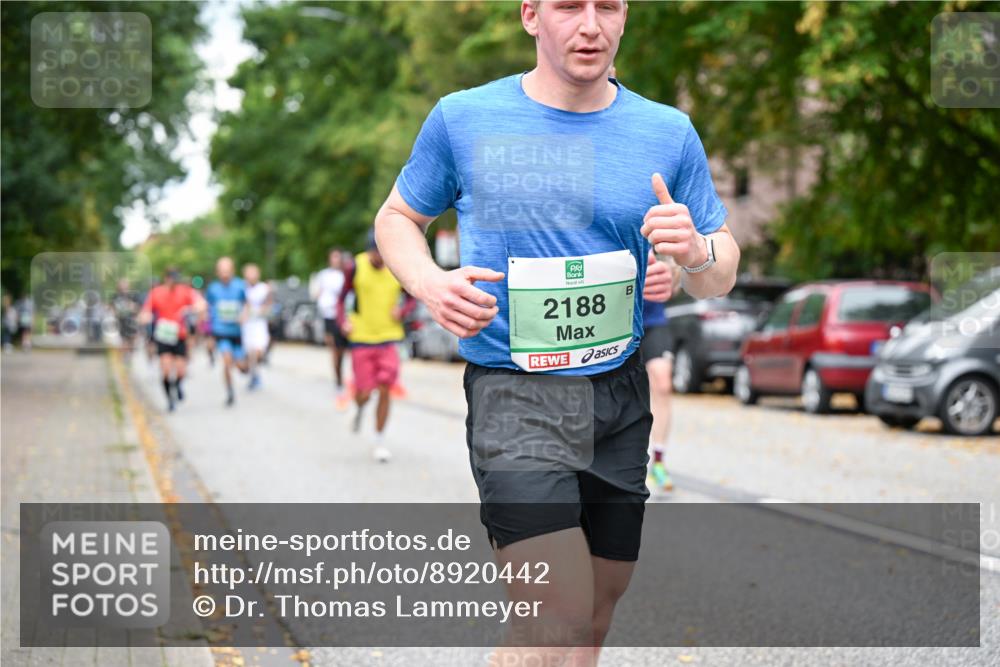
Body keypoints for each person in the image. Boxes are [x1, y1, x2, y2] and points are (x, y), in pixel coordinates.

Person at [372, 0, 740, 662]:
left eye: (609, 5)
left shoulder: (668, 132)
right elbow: (397, 217)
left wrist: (695, 254)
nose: (590, 24)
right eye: (570, 5)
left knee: (595, 612)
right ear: (531, 15)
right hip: (516, 395)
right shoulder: (464, 119)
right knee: (556, 611)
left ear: (626, 16)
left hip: (619, 396)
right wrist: (430, 284)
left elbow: (720, 269)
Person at [337, 231, 416, 463]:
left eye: (383, 252)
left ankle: (379, 440)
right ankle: (359, 406)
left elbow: (412, 295)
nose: (379, 258)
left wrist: (402, 312)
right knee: (363, 392)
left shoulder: (396, 266)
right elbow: (341, 299)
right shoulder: (355, 267)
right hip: (362, 337)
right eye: (375, 252)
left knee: (385, 388)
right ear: (369, 250)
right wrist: (343, 321)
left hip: (389, 337)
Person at [639, 253, 682, 492]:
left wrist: (671, 272)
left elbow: (677, 278)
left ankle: (658, 461)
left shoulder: (658, 222)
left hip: (653, 321)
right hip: (617, 323)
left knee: (663, 383)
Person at [138, 268, 205, 412]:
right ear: (166, 279)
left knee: (181, 370)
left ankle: (178, 385)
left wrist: (191, 309)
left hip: (180, 335)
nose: (174, 282)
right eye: (171, 279)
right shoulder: (156, 292)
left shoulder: (185, 291)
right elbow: (146, 311)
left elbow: (200, 304)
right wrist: (145, 317)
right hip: (163, 335)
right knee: (166, 369)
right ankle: (170, 399)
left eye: (176, 279)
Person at [205, 257, 249, 407]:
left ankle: (245, 366)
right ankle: (230, 391)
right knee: (226, 361)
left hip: (237, 332)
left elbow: (246, 304)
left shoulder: (240, 286)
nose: (225, 274)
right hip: (220, 331)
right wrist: (208, 333)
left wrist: (244, 314)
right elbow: (207, 309)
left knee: (240, 366)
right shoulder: (212, 289)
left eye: (227, 270)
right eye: (222, 271)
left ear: (232, 271)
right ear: (218, 272)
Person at [312, 248, 350, 398]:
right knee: (334, 349)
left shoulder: (346, 274)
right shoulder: (323, 275)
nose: (335, 260)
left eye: (337, 257)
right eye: (333, 257)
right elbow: (317, 293)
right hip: (329, 316)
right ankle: (338, 380)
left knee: (343, 350)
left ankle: (346, 377)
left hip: (343, 316)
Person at [241, 263, 272, 390]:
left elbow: (269, 304)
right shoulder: (242, 289)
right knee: (250, 352)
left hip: (259, 324)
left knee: (259, 351)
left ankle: (255, 372)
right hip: (247, 325)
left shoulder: (264, 288)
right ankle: (253, 375)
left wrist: (262, 310)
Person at [111, 279, 143, 359]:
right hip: (121, 321)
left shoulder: (134, 295)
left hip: (132, 321)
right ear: (118, 286)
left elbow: (139, 308)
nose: (123, 287)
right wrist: (115, 312)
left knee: (132, 339)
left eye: (125, 285)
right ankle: (125, 356)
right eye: (121, 285)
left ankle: (130, 354)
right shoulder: (115, 296)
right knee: (124, 339)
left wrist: (132, 307)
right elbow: (112, 308)